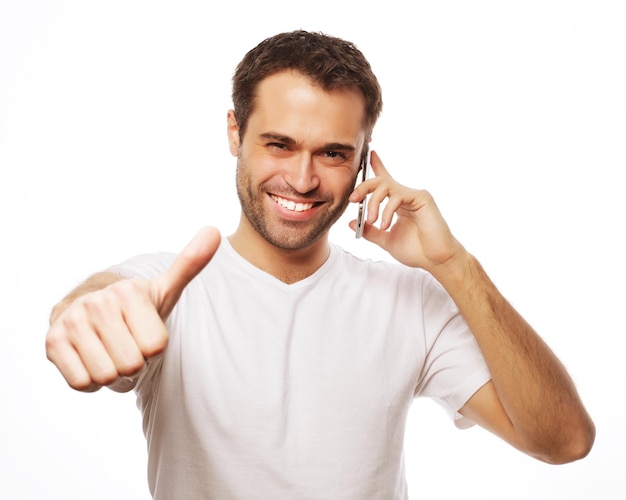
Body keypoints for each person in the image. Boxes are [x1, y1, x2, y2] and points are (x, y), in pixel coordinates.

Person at [45, 30, 595, 499]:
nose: (304, 180)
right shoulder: (166, 290)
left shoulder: (410, 301)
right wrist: (83, 315)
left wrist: (453, 264)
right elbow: (102, 304)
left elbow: (564, 441)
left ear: (363, 157)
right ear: (234, 133)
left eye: (333, 153)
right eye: (279, 144)